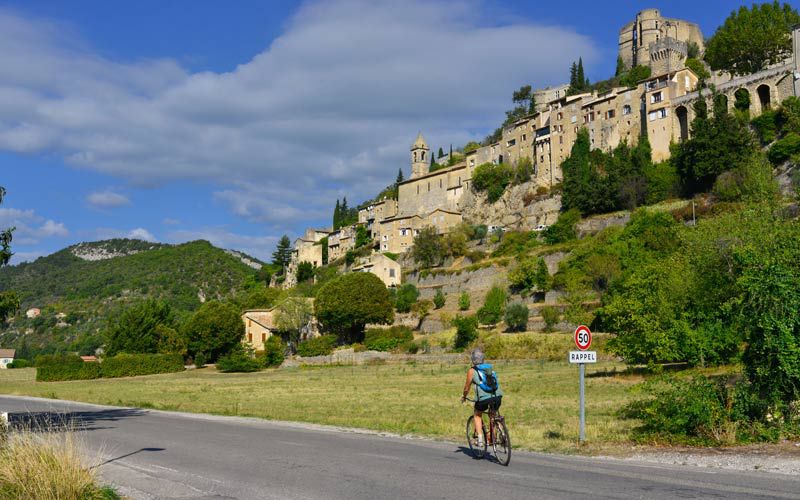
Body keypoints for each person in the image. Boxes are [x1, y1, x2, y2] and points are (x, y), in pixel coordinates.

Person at [461, 348, 502, 446]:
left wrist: (464, 396)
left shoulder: (472, 370)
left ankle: (480, 440)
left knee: (477, 414)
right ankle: (497, 436)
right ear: (483, 359)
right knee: (493, 415)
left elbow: (467, 388)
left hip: (484, 399)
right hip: (497, 396)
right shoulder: (489, 369)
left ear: (473, 359)